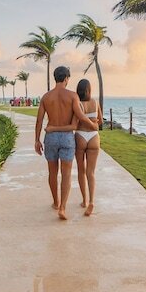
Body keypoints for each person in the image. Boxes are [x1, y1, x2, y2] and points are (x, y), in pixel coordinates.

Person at [34, 66, 96, 220]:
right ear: (66, 78)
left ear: (55, 78)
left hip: (51, 137)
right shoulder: (72, 96)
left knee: (52, 172)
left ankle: (56, 202)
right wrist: (93, 125)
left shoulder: (46, 97)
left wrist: (37, 140)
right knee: (66, 174)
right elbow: (81, 116)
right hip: (67, 138)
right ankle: (63, 208)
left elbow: (39, 120)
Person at [73, 78, 101, 216]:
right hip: (94, 137)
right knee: (91, 173)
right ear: (89, 90)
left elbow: (75, 122)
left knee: (81, 170)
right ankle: (91, 202)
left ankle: (84, 200)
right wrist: (93, 121)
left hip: (80, 136)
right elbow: (100, 121)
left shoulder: (78, 104)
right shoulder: (95, 102)